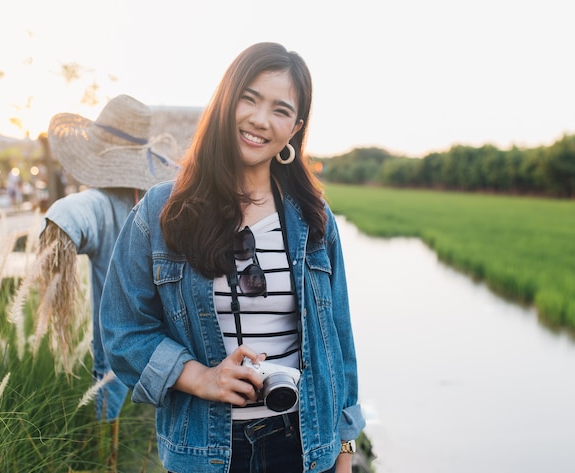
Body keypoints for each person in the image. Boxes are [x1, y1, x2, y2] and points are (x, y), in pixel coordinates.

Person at [100, 43, 365, 473]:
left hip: (303, 446)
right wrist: (201, 378)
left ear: (295, 128)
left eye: (281, 110)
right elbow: (123, 331)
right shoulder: (162, 212)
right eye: (250, 98)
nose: (261, 120)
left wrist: (346, 451)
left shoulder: (312, 218)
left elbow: (340, 342)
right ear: (226, 101)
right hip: (205, 453)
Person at [37, 95, 181, 443]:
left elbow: (70, 212)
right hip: (170, 360)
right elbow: (73, 213)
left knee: (115, 445)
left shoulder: (141, 205)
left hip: (145, 361)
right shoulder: (130, 205)